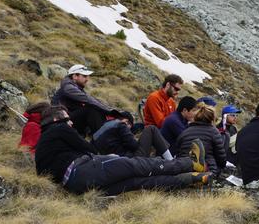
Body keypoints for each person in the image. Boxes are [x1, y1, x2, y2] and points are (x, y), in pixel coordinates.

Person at [34, 106, 210, 195]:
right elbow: (87, 147)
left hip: (76, 186)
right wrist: (102, 157)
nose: (71, 122)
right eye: (67, 119)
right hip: (85, 169)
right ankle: (191, 163)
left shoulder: (44, 144)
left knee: (137, 183)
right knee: (140, 165)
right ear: (56, 119)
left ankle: (188, 180)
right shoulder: (59, 128)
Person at [52, 64, 110, 137]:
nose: (87, 79)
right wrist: (109, 111)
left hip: (68, 120)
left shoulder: (75, 87)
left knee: (94, 108)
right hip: (63, 121)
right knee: (91, 109)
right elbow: (88, 100)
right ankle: (102, 139)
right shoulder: (68, 88)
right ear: (75, 76)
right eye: (84, 76)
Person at [92, 110, 173, 160]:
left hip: (109, 163)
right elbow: (133, 146)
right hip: (129, 161)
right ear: (127, 122)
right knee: (151, 129)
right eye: (130, 126)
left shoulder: (100, 130)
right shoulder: (121, 125)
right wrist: (136, 139)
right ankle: (171, 160)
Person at [175, 105, 227, 176]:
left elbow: (178, 153)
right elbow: (221, 158)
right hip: (207, 171)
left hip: (183, 169)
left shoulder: (185, 132)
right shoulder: (214, 132)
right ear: (212, 119)